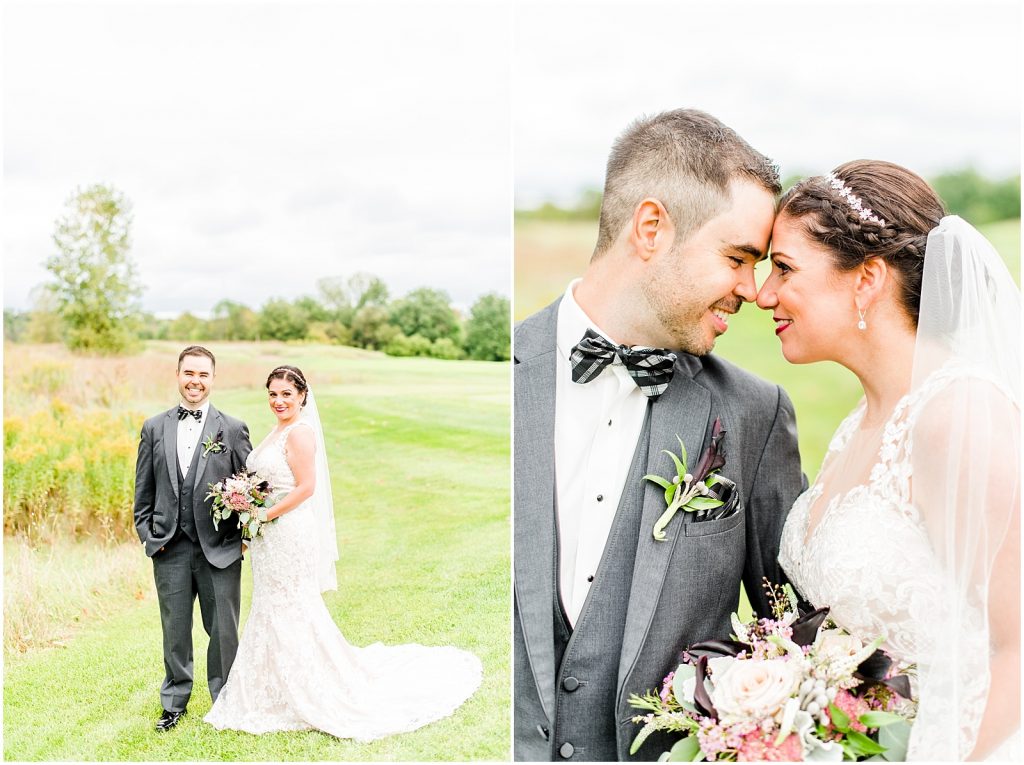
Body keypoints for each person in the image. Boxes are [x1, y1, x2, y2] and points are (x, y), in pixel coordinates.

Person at [513, 109, 805, 761]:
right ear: (651, 228)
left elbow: (792, 635)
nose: (751, 291)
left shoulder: (754, 414)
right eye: (737, 257)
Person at [758, 160, 1020, 761]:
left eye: (786, 268)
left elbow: (1019, 649)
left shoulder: (957, 415)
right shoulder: (863, 421)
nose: (764, 294)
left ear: (867, 277)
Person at [204, 365, 482, 740]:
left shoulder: (301, 433)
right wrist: (248, 509)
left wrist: (263, 514)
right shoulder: (277, 430)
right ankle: (271, 688)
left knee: (292, 605)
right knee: (270, 604)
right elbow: (265, 481)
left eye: (287, 394)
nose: (279, 401)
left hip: (288, 531)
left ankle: (307, 689)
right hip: (269, 536)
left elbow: (306, 488)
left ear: (303, 395)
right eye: (273, 394)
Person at [133, 345, 253, 732]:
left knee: (222, 630)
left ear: (213, 379)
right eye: (189, 373)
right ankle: (173, 703)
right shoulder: (154, 427)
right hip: (168, 547)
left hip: (219, 549)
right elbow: (143, 491)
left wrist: (243, 539)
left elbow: (250, 489)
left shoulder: (232, 429)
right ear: (178, 374)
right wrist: (148, 536)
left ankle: (226, 700)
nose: (195, 381)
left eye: (203, 375)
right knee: (174, 630)